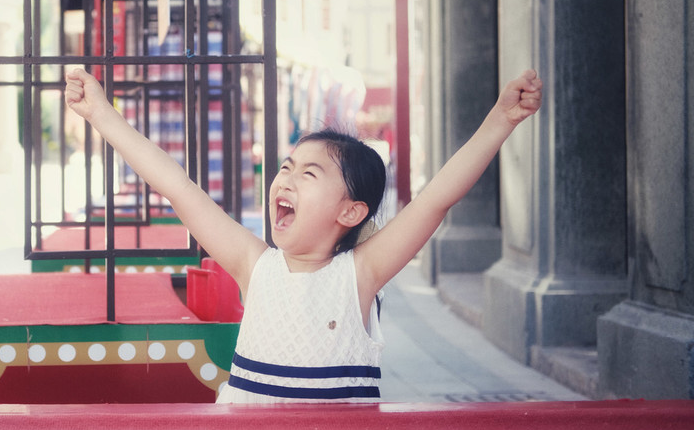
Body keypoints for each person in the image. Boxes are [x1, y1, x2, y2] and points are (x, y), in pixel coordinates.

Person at [64, 67, 543, 403]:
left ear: (351, 211)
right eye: (286, 167)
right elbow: (176, 185)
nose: (286, 179)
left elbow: (435, 199)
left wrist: (501, 119)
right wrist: (102, 115)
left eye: (309, 174)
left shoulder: (361, 274)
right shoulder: (254, 265)